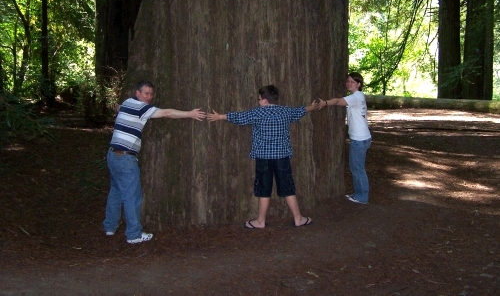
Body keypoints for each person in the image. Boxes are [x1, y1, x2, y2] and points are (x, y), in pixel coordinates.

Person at [103, 81, 206, 244]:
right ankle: (134, 235)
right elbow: (166, 113)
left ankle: (109, 226)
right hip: (125, 159)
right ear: (137, 93)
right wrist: (189, 114)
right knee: (132, 196)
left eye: (151, 94)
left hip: (113, 156)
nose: (149, 97)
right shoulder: (140, 107)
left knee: (116, 192)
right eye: (146, 93)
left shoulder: (126, 103)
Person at [208, 85, 318, 229]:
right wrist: (312, 106)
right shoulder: (286, 112)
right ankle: (298, 219)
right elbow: (301, 110)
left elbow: (240, 117)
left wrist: (220, 116)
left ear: (265, 101)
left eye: (259, 99)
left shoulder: (257, 113)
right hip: (281, 157)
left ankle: (260, 221)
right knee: (287, 187)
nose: (258, 102)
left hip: (263, 157)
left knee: (264, 188)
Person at [318, 72, 371, 204]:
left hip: (359, 139)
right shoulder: (357, 96)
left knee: (357, 168)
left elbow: (337, 101)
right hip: (361, 137)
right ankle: (358, 193)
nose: (349, 84)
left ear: (359, 84)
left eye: (352, 82)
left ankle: (362, 196)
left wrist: (325, 103)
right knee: (356, 168)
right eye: (348, 81)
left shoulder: (356, 96)